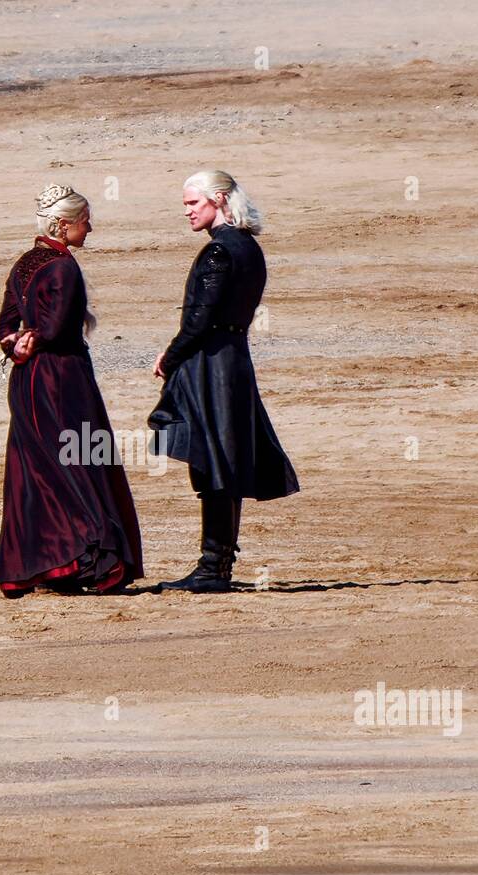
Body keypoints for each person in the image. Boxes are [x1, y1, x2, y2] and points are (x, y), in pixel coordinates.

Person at [149, 170, 299, 593]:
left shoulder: (218, 251)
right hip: (234, 360)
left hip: (210, 364)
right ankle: (217, 565)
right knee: (224, 462)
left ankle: (213, 568)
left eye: (193, 203)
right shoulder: (249, 247)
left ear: (218, 199)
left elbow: (200, 319)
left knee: (211, 461)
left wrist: (171, 355)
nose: (187, 212)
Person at [0, 184, 143, 598]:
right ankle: (93, 559)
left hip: (26, 381)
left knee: (36, 468)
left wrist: (17, 343)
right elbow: (58, 329)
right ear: (62, 224)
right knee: (79, 459)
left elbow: (5, 325)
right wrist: (36, 339)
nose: (90, 228)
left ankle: (41, 563)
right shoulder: (62, 267)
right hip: (62, 378)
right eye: (84, 220)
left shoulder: (23, 264)